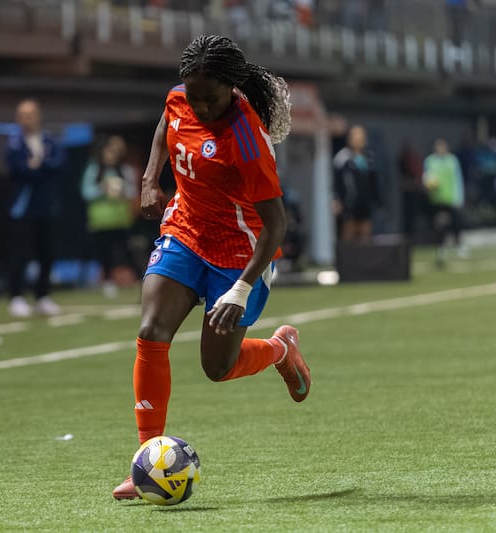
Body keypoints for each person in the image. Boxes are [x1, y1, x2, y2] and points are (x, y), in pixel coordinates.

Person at [112, 35, 311, 500]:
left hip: (241, 253)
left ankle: (281, 350)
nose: (198, 107)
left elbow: (276, 224)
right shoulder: (182, 97)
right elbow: (167, 120)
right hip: (185, 231)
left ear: (231, 88)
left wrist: (240, 290)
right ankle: (146, 462)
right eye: (192, 95)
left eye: (209, 98)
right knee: (151, 330)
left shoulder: (246, 138)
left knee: (217, 368)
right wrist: (149, 180)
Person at [6, 99, 65, 317]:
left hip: (46, 206)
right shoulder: (14, 143)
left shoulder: (49, 141)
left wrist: (39, 165)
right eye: (22, 115)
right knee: (20, 252)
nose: (26, 119)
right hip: (22, 207)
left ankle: (42, 296)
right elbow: (18, 168)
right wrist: (38, 168)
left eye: (30, 114)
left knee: (47, 252)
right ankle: (17, 296)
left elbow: (58, 165)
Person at [80, 135, 139, 298]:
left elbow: (132, 192)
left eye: (113, 152)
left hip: (120, 220)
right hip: (100, 221)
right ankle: (108, 282)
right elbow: (86, 192)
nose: (110, 156)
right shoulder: (94, 169)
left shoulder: (124, 169)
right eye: (108, 152)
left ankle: (136, 281)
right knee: (103, 253)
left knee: (125, 251)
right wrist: (102, 188)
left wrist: (121, 191)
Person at [333, 125, 379, 243]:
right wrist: (336, 199)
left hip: (365, 202)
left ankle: (364, 259)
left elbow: (373, 182)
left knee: (365, 232)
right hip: (349, 203)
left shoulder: (369, 158)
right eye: (356, 136)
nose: (359, 139)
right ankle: (347, 258)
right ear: (350, 138)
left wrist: (377, 200)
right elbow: (336, 180)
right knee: (349, 232)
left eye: (361, 136)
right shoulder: (342, 157)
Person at [423, 138, 466, 265]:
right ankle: (441, 247)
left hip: (451, 198)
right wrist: (429, 184)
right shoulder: (429, 161)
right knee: (440, 225)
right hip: (437, 200)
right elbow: (426, 177)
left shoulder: (452, 160)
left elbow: (458, 178)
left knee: (456, 222)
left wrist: (459, 196)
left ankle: (459, 245)